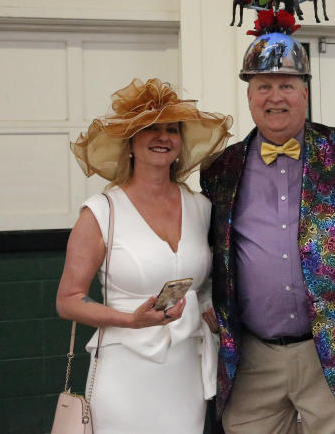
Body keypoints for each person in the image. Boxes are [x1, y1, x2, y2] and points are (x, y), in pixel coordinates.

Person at [200, 22, 335, 433]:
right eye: (264, 86)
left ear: (305, 93)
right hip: (251, 359)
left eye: (286, 85)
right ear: (248, 96)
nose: (275, 97)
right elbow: (202, 241)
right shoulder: (221, 169)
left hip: (334, 353)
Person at [56, 78, 232, 434]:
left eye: (171, 129)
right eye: (150, 128)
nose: (162, 137)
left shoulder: (201, 207)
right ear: (130, 142)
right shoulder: (102, 211)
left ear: (181, 143)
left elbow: (206, 281)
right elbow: (67, 301)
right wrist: (130, 320)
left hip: (185, 370)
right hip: (124, 370)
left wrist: (212, 308)